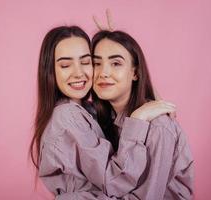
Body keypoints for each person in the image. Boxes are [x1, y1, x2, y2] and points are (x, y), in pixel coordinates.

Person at [29, 26, 176, 199]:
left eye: (86, 62)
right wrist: (138, 119)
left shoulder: (89, 110)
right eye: (65, 65)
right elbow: (115, 182)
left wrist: (115, 44)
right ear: (50, 71)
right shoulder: (66, 116)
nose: (78, 73)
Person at [92, 30, 194, 199]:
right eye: (96, 63)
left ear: (135, 73)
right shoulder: (100, 117)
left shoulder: (158, 127)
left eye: (116, 63)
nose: (103, 72)